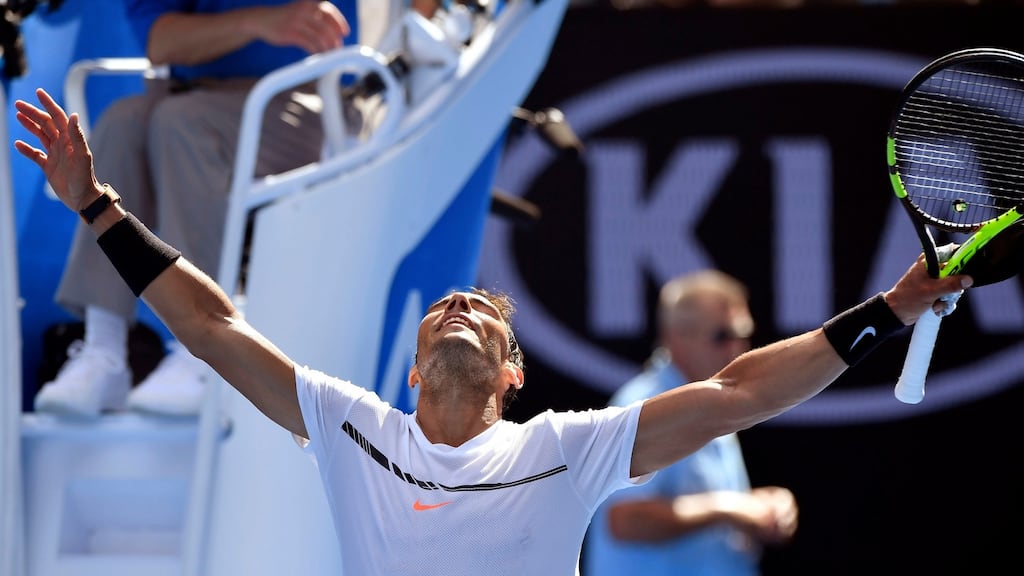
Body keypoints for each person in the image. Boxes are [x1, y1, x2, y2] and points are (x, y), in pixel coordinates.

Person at [13, 87, 972, 575]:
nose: (462, 309)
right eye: (447, 309)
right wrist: (96, 205)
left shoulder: (567, 448)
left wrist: (888, 311)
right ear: (414, 369)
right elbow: (211, 323)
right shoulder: (352, 428)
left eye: (484, 316)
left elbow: (741, 392)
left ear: (511, 377)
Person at [34, 0, 354, 417]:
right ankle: (103, 352)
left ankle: (205, 355)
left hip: (308, 98)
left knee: (182, 124)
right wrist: (259, 22)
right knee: (119, 125)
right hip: (189, 98)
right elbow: (161, 42)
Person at [585, 270, 797, 576]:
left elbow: (706, 503)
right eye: (722, 336)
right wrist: (729, 508)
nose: (737, 349)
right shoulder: (645, 406)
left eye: (743, 334)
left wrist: (758, 507)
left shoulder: (714, 399)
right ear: (675, 338)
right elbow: (624, 520)